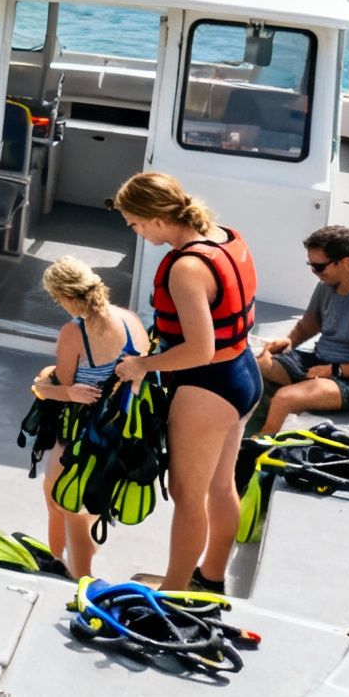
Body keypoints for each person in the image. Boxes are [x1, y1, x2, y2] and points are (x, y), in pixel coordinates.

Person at [111, 172, 262, 595]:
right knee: (220, 485)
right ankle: (211, 578)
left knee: (187, 495)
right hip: (244, 374)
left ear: (157, 219)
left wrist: (142, 364)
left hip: (208, 387)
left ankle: (172, 595)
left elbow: (199, 349)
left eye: (135, 225)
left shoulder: (186, 268)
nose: (136, 233)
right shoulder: (227, 236)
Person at [30, 256, 149, 578]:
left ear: (67, 297)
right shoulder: (131, 320)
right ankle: (58, 566)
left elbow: (66, 387)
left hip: (85, 438)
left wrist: (41, 386)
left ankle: (71, 578)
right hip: (124, 436)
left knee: (65, 506)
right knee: (88, 510)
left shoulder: (75, 332)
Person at [255, 225, 349, 435]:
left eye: (319, 267)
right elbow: (309, 324)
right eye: (311, 265)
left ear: (346, 262)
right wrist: (289, 342)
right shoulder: (328, 283)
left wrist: (335, 370)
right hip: (320, 362)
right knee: (254, 364)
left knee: (285, 399)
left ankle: (259, 441)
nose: (314, 272)